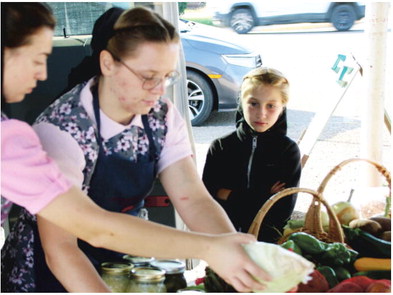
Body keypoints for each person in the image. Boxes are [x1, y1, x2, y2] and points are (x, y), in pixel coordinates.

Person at [1, 3, 271, 292]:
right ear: (107, 63)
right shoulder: (57, 129)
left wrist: (234, 252)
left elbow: (192, 198)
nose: (159, 90)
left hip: (124, 261)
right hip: (51, 276)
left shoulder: (161, 115)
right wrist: (210, 248)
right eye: (148, 77)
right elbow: (80, 237)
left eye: (167, 77)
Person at [202, 67, 302, 243]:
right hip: (225, 239)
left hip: (268, 243)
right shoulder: (220, 147)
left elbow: (281, 210)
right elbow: (209, 199)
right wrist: (264, 194)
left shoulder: (288, 151)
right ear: (241, 101)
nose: (261, 113)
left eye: (271, 105)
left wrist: (229, 195)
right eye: (253, 103)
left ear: (282, 107)